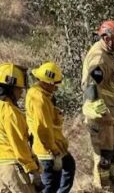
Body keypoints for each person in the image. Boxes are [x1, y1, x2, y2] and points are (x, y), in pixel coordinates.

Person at [81, 20, 114, 188]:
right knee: (104, 156)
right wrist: (96, 105)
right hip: (101, 115)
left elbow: (106, 83)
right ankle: (102, 186)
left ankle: (110, 179)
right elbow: (90, 84)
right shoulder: (99, 57)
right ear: (107, 39)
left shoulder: (108, 56)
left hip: (110, 114)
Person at [26, 62, 75, 192]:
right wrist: (54, 151)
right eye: (55, 84)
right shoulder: (40, 100)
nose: (56, 88)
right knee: (51, 184)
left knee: (69, 166)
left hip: (55, 145)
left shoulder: (40, 94)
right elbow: (43, 129)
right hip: (47, 151)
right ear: (48, 83)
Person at [0, 63, 43, 193]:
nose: (21, 93)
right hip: (13, 167)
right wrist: (33, 170)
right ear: (10, 89)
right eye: (19, 89)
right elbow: (19, 144)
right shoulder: (10, 112)